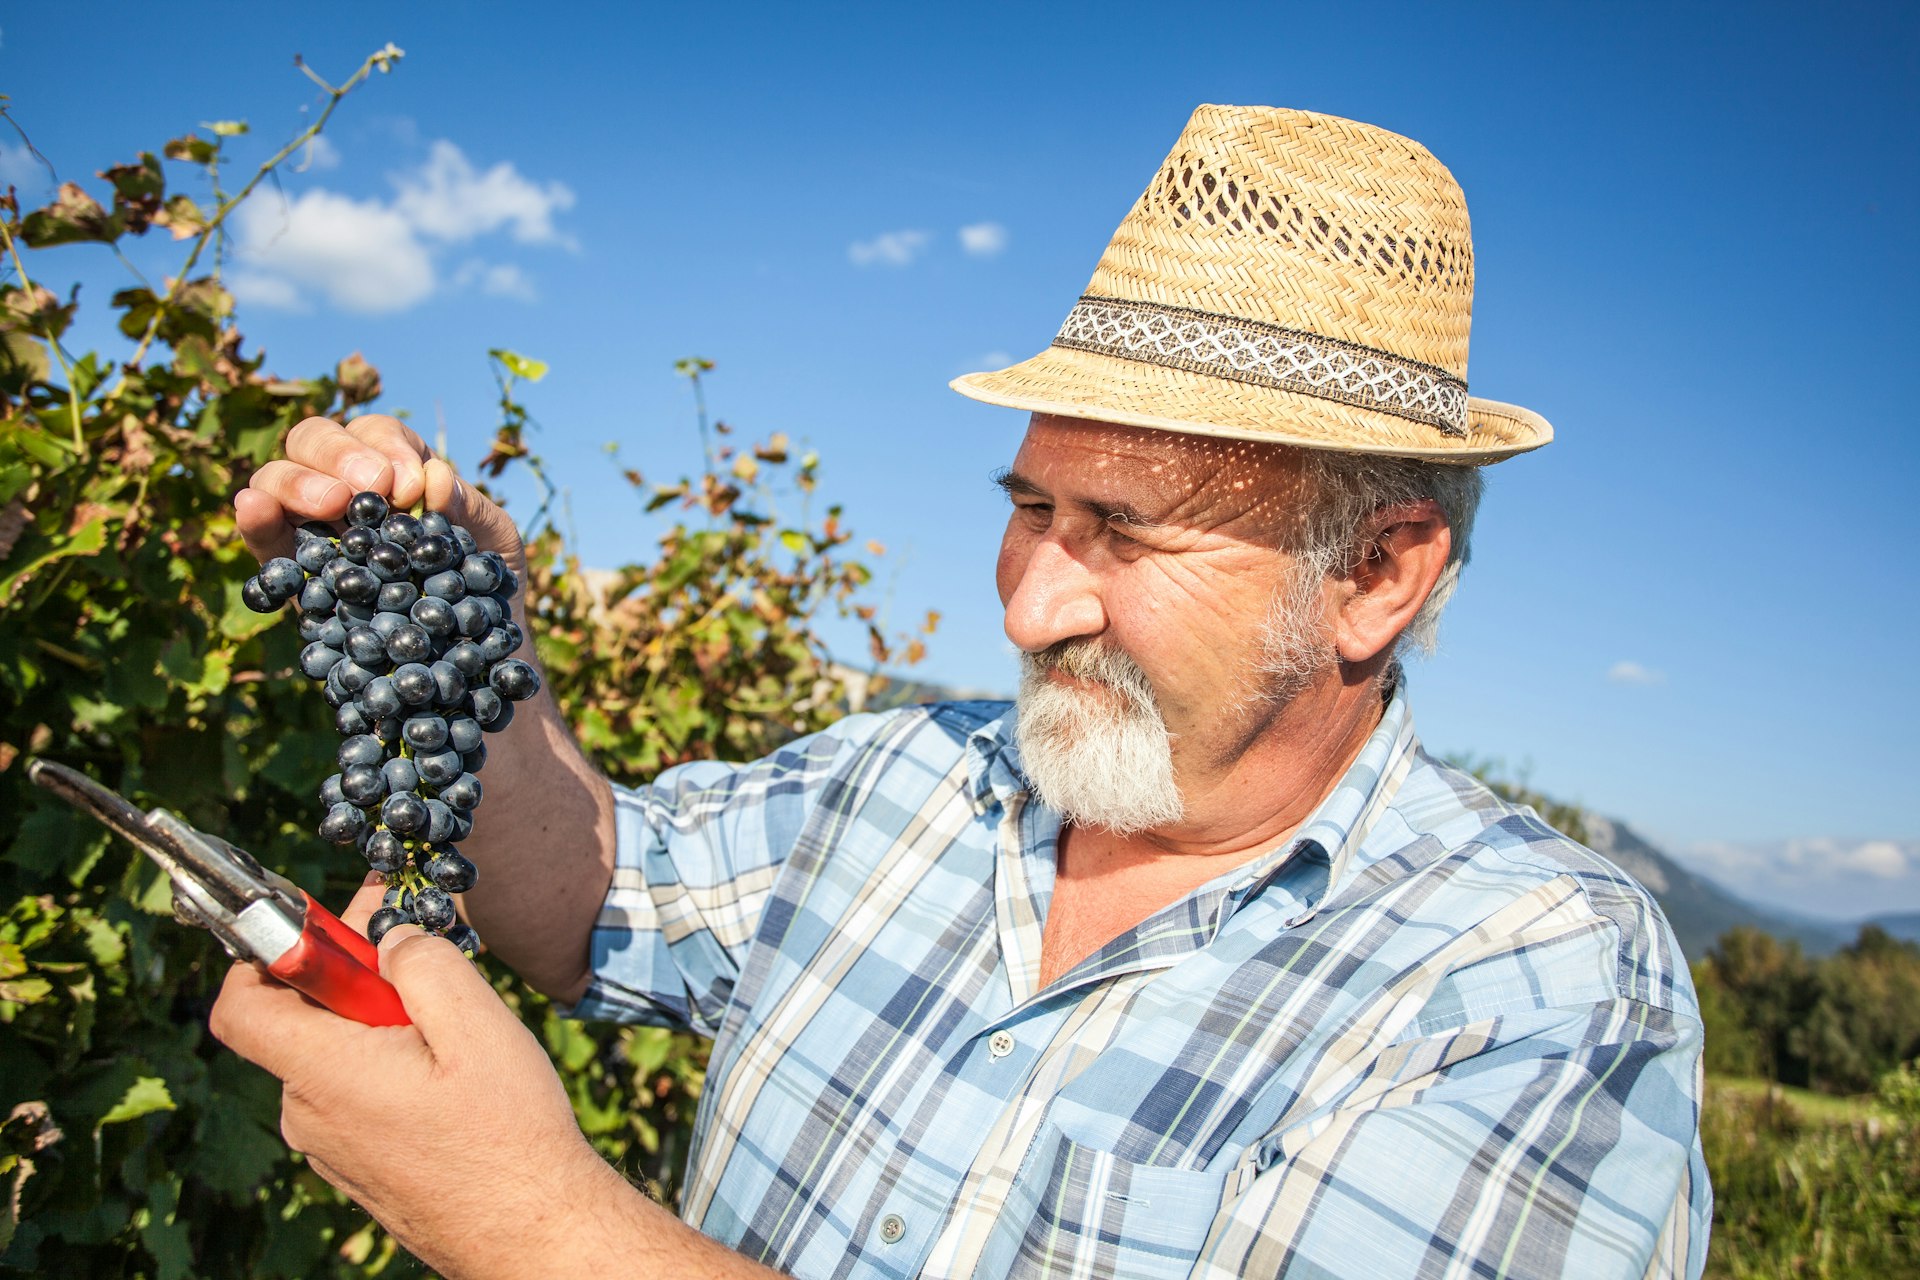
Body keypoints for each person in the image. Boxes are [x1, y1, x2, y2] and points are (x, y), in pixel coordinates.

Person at [215, 105, 1711, 1279]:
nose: (1030, 599)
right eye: (1033, 507)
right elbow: (590, 896)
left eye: (1124, 531)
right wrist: (475, 635)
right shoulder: (902, 781)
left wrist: (537, 1231)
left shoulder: (1530, 986)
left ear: (1378, 576)